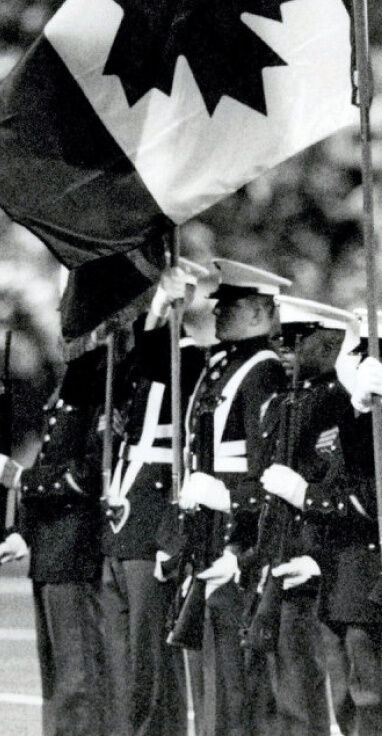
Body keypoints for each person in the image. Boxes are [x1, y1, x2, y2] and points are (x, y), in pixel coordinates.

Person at [264, 308, 382, 736]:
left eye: (374, 354)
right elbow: (339, 474)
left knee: (375, 705)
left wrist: (306, 496)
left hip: (370, 579)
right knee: (348, 706)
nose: (359, 364)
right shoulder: (364, 415)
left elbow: (374, 500)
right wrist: (316, 554)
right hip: (340, 576)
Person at [173, 258, 291, 736]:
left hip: (236, 540)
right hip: (206, 536)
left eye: (232, 305)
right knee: (212, 690)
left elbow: (267, 473)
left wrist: (225, 498)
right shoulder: (224, 367)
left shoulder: (262, 371)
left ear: (262, 312)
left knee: (235, 691)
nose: (218, 313)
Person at [101, 260, 213, 736]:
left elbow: (154, 360)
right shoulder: (141, 355)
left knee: (149, 649)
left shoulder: (194, 359)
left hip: (155, 509)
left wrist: (158, 318)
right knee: (121, 648)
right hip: (124, 503)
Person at [0, 333, 111, 736]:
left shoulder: (101, 384)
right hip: (52, 549)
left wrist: (25, 480)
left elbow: (88, 474)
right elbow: (51, 456)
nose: (64, 337)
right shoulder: (73, 380)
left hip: (77, 547)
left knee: (79, 678)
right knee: (56, 680)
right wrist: (25, 531)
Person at [253, 296, 356, 736]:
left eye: (297, 338)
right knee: (281, 697)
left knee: (304, 696)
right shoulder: (290, 401)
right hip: (279, 555)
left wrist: (313, 554)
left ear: (328, 346)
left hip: (309, 563)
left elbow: (334, 485)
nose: (284, 347)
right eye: (282, 337)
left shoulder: (337, 401)